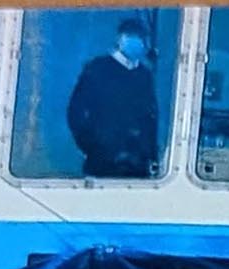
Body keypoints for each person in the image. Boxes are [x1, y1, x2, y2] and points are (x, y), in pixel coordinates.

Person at [66, 18, 159, 179]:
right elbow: (76, 112)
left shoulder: (144, 75)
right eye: (133, 37)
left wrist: (150, 154)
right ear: (121, 39)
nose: (140, 43)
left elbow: (150, 117)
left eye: (141, 38)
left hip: (137, 165)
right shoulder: (97, 69)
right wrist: (91, 147)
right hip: (102, 162)